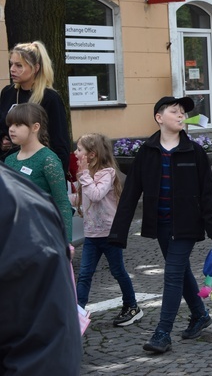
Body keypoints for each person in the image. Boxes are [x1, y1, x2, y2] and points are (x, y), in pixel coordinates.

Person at [109, 96, 212, 354]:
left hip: (186, 225)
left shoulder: (194, 151)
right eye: (175, 111)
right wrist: (118, 232)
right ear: (159, 117)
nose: (181, 115)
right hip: (160, 224)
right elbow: (130, 195)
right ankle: (200, 315)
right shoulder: (147, 152)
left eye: (183, 112)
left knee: (172, 275)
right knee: (180, 272)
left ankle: (163, 333)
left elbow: (208, 191)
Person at [0, 163, 82, 374]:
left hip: (40, 242)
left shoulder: (19, 203)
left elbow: (41, 348)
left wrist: (66, 237)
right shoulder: (13, 162)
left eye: (18, 126)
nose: (12, 131)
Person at [71, 133, 142, 326]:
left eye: (79, 150)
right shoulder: (85, 175)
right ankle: (77, 311)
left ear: (91, 154)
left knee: (118, 271)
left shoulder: (107, 173)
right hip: (92, 235)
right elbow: (79, 199)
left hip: (110, 234)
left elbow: (95, 194)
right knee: (85, 274)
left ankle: (132, 306)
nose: (75, 153)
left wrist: (84, 175)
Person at [0, 41, 70, 174]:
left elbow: (59, 143)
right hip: (7, 168)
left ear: (36, 68)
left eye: (19, 65)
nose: (12, 69)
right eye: (11, 64)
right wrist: (3, 140)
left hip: (36, 173)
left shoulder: (49, 98)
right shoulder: (7, 93)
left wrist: (54, 177)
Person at [4, 103, 71, 241]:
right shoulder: (9, 160)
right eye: (10, 125)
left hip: (42, 235)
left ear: (35, 127)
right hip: (14, 235)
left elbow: (62, 203)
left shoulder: (48, 160)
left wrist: (66, 242)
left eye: (18, 125)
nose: (11, 129)